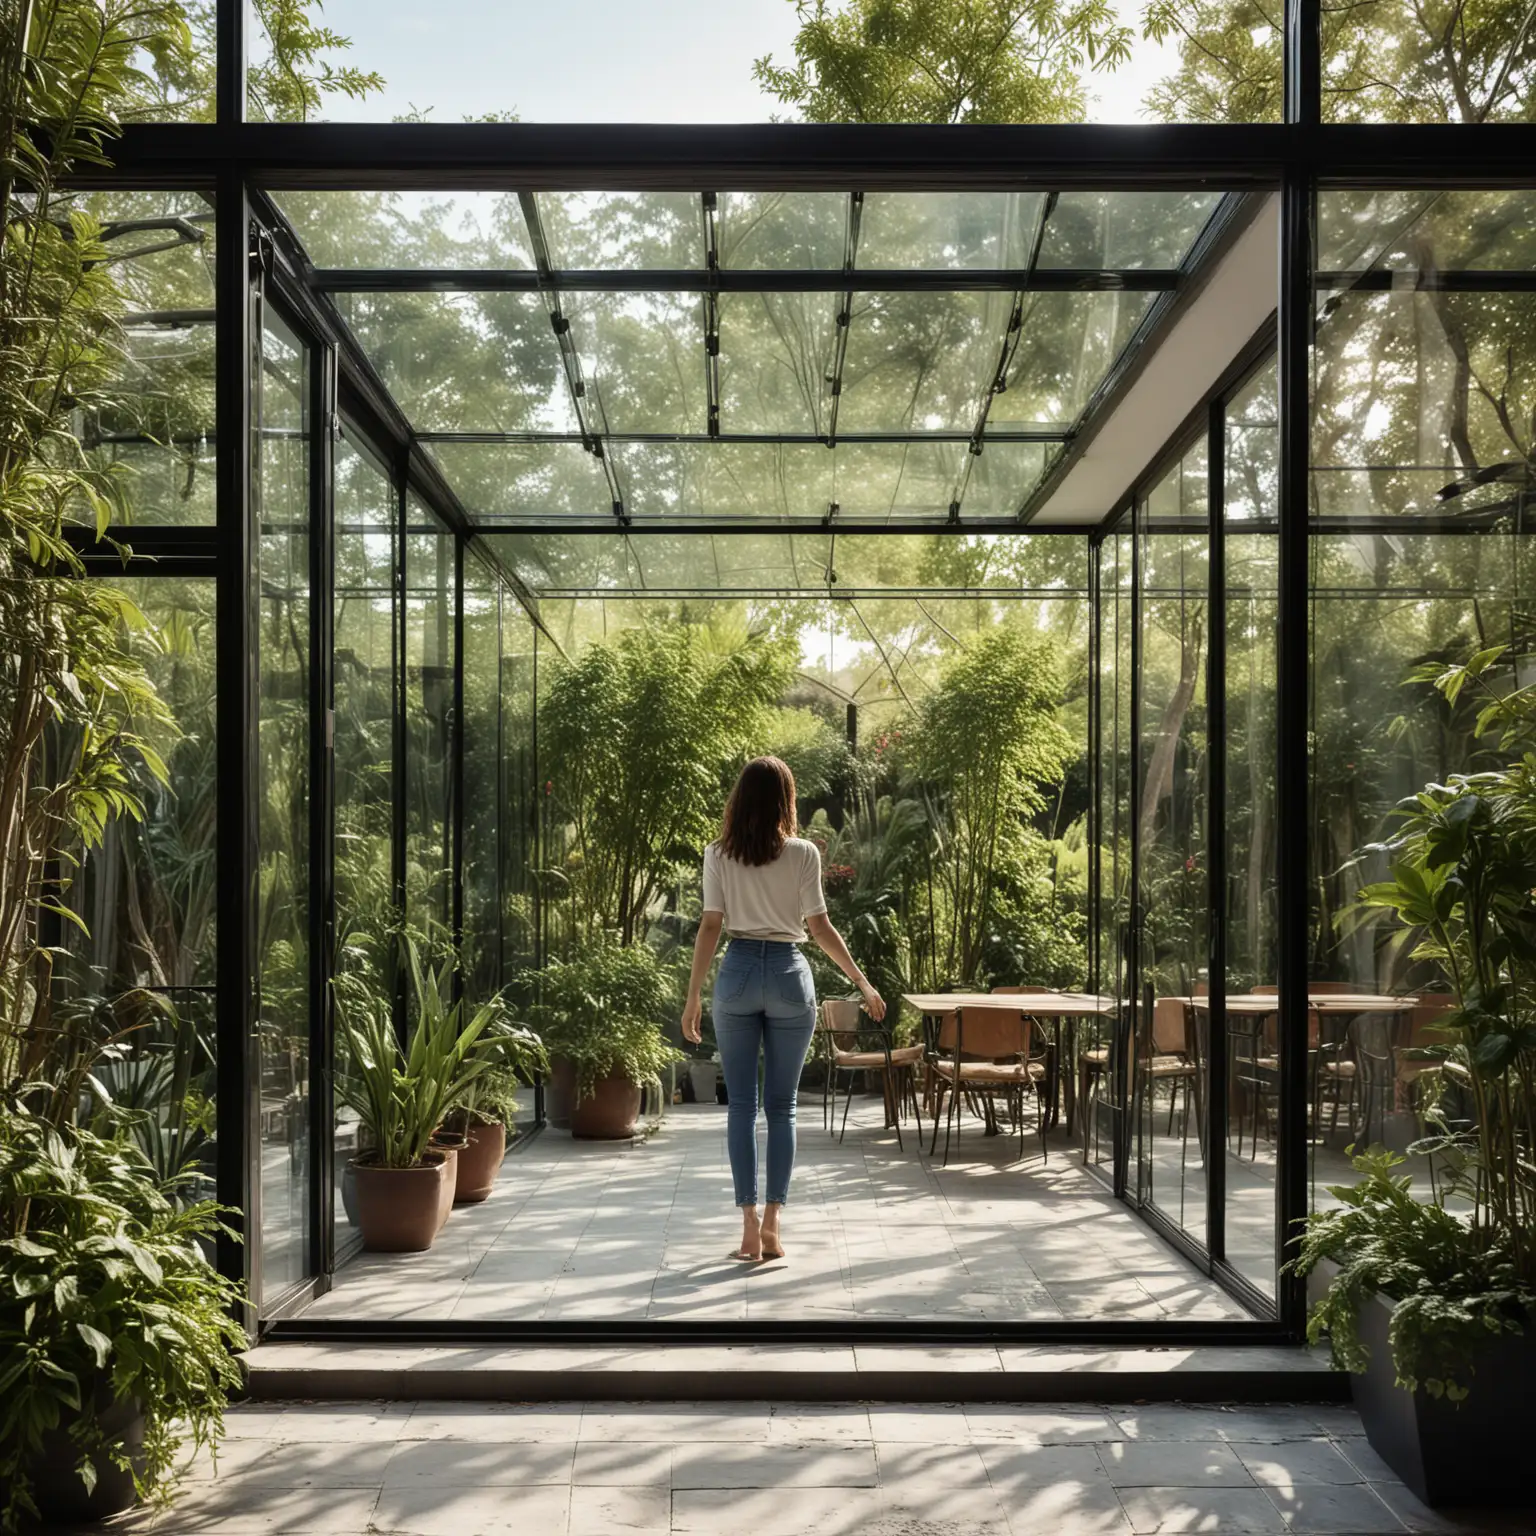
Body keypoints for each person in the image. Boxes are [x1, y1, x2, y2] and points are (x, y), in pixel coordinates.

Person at [681, 755, 886, 1263]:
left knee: (742, 1108)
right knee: (783, 1107)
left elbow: (710, 926)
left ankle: (748, 1227)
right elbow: (819, 928)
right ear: (786, 799)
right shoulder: (803, 854)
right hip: (791, 975)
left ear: (739, 800)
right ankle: (774, 1223)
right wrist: (861, 982)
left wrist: (692, 998)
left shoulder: (718, 854)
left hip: (739, 973)